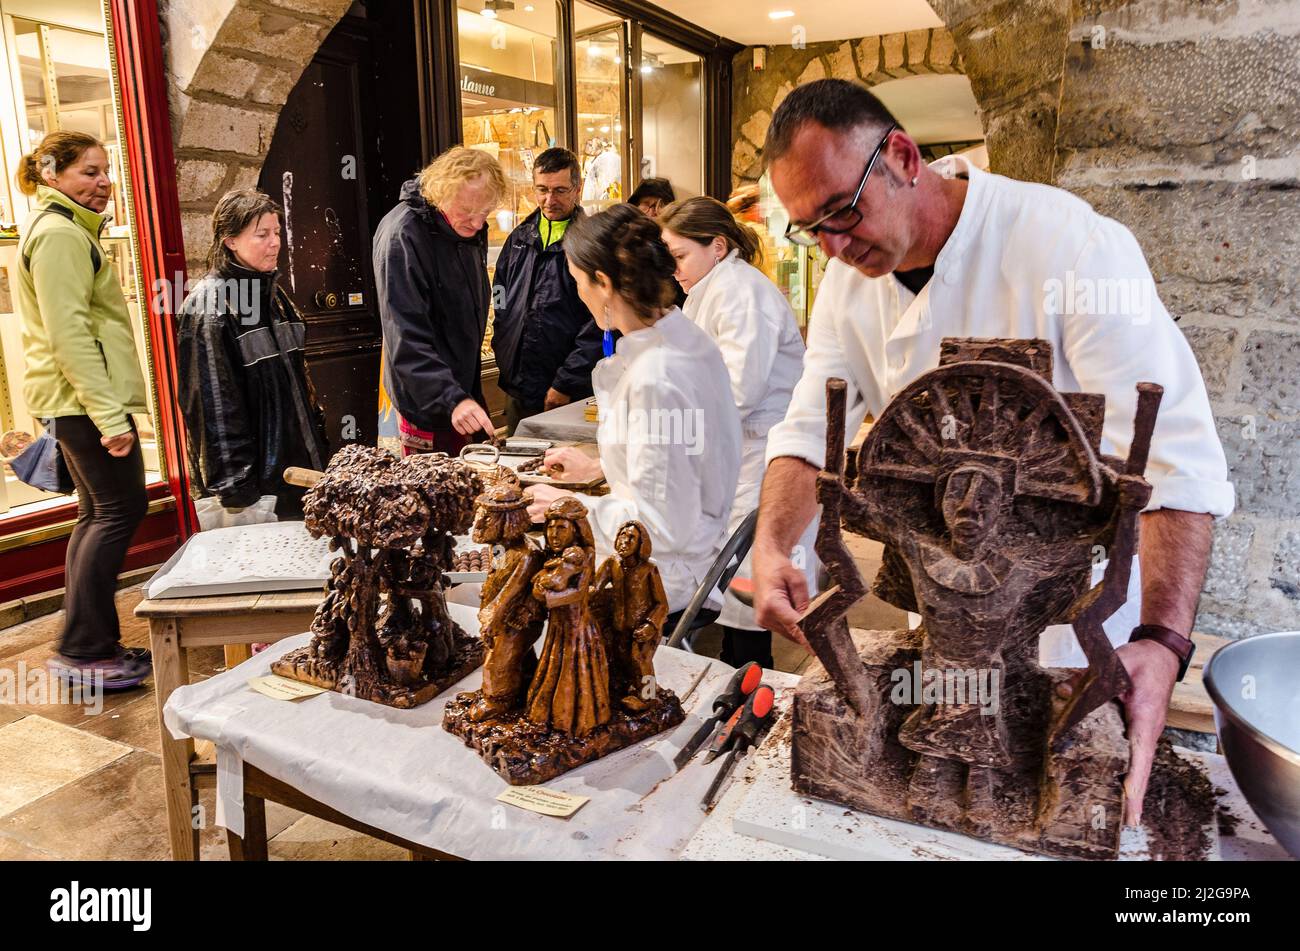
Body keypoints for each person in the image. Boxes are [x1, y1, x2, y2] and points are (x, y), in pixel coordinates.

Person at [750, 78, 1234, 825]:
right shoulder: (848, 289)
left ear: (903, 157)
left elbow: (1174, 465)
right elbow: (812, 427)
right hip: (948, 618)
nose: (833, 248)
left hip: (1069, 618)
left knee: (1060, 805)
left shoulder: (1072, 248)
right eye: (808, 229)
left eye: (843, 212)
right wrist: (774, 541)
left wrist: (1163, 641)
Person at [526, 204, 742, 630]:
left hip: (664, 577)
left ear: (603, 283)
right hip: (693, 549)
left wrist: (571, 506)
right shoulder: (683, 339)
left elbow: (663, 528)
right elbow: (681, 457)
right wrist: (599, 466)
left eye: (577, 282)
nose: (578, 294)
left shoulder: (657, 377)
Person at [15, 132, 151, 688]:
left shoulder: (63, 231)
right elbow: (70, 335)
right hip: (86, 406)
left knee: (98, 516)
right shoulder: (60, 236)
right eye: (88, 172)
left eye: (104, 172)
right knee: (119, 512)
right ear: (52, 174)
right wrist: (110, 417)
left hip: (80, 405)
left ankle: (87, 643)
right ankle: (85, 650)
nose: (102, 183)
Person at [659, 195, 809, 669]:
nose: (673, 269)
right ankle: (731, 670)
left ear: (717, 246)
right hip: (733, 453)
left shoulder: (743, 294)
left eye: (679, 257)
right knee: (727, 579)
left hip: (758, 454)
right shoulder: (714, 290)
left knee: (746, 583)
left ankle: (749, 684)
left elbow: (739, 390)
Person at [177, 189, 329, 520]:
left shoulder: (275, 297)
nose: (275, 243)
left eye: (277, 233)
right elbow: (213, 406)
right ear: (230, 240)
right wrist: (236, 490)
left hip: (297, 470)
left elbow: (300, 387)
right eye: (262, 235)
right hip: (257, 484)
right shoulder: (210, 307)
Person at [373, 147, 507, 454]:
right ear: (440, 193)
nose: (476, 224)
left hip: (460, 391)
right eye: (467, 212)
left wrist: (464, 395)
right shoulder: (403, 235)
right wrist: (451, 398)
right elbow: (405, 336)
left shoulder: (467, 226)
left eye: (484, 214)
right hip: (426, 403)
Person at [491, 148, 603, 433]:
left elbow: (599, 322)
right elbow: (500, 295)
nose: (549, 200)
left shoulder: (591, 244)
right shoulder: (518, 238)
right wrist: (503, 350)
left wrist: (566, 381)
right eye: (542, 190)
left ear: (577, 189)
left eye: (560, 190)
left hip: (568, 391)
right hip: (518, 386)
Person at [524, 498, 610, 737]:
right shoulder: (554, 556)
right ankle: (548, 715)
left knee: (575, 672)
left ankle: (575, 721)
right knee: (553, 667)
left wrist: (546, 597)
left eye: (561, 527)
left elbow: (577, 593)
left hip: (577, 627)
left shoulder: (584, 555)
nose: (553, 533)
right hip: (558, 625)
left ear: (576, 528)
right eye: (550, 527)